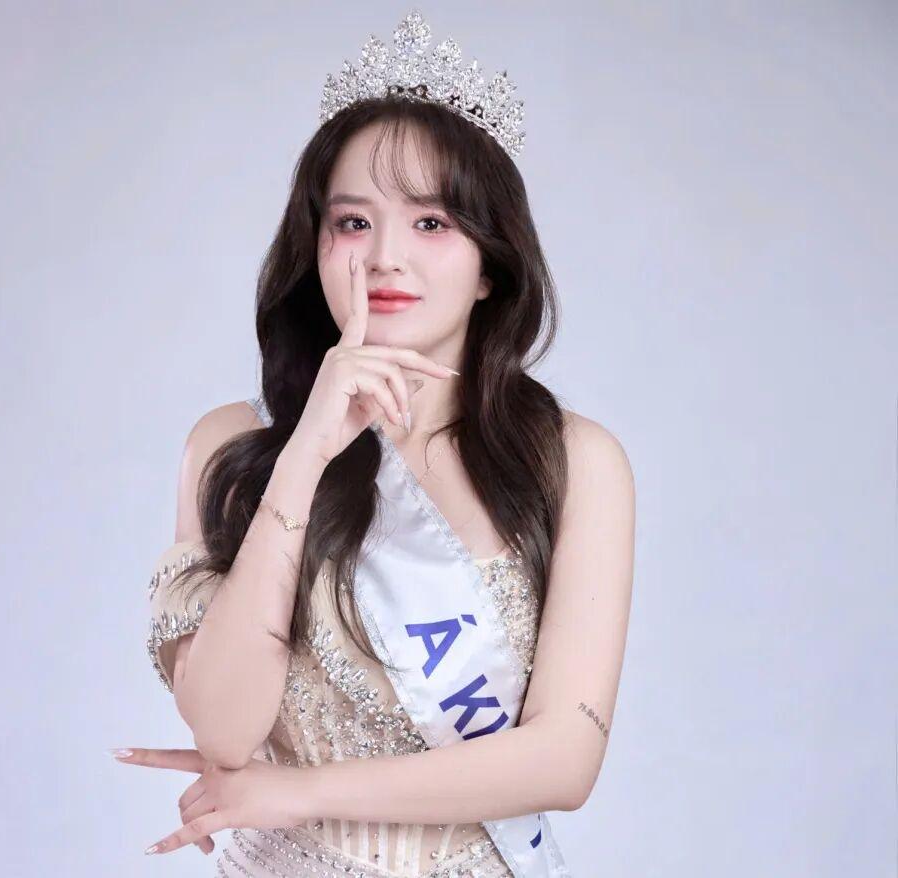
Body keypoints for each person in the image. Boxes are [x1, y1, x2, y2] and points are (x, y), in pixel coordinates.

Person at [113, 10, 635, 876]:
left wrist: (302, 791)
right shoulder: (232, 443)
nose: (386, 257)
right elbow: (225, 728)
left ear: (490, 264)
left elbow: (564, 761)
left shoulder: (574, 462)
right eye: (353, 222)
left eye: (432, 223)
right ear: (315, 245)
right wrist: (305, 454)